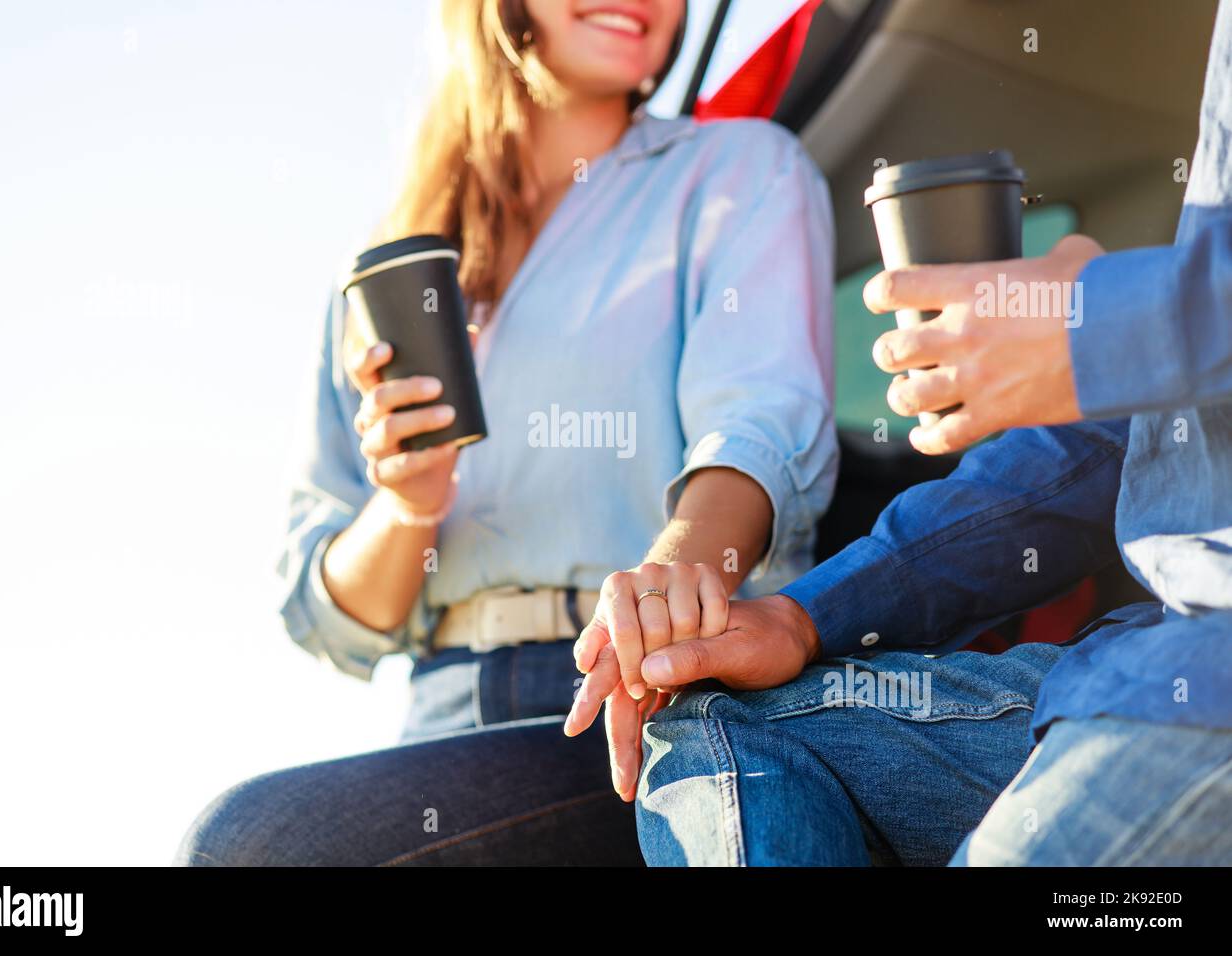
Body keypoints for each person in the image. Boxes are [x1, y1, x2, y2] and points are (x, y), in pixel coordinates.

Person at [172, 0, 838, 865]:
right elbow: (331, 614)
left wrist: (674, 571)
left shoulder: (742, 170)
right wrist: (410, 505)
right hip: (439, 715)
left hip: (652, 697)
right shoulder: (387, 263)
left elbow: (757, 427)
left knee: (251, 848)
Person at [570, 0, 1232, 866]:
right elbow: (1112, 447)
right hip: (1136, 664)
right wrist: (801, 619)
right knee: (714, 723)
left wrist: (1102, 319)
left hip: (1203, 673)